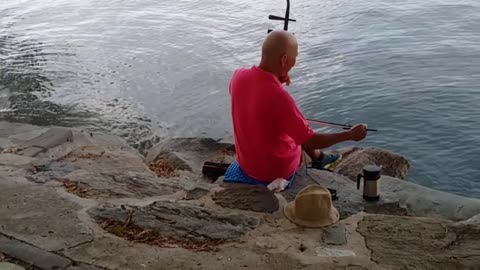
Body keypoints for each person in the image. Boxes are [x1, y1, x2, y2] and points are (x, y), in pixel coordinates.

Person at [225, 30, 367, 186]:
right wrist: (349, 135)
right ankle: (320, 159)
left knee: (293, 125)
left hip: (247, 164)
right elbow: (309, 140)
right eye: (295, 56)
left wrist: (276, 79)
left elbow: (255, 98)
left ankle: (319, 158)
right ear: (284, 59)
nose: (295, 61)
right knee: (300, 133)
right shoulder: (280, 97)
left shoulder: (238, 76)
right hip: (274, 171)